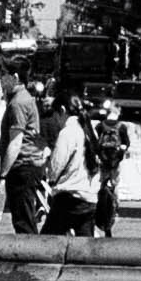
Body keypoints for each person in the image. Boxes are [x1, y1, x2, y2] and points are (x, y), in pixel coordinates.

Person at [0, 70, 51, 235]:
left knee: (23, 222)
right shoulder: (23, 98)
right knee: (25, 218)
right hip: (28, 165)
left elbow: (16, 141)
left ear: (15, 77)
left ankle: (30, 257)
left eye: (3, 74)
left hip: (23, 166)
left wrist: (2, 174)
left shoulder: (18, 103)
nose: (0, 79)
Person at [40, 93, 99, 236]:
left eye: (56, 115)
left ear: (62, 110)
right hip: (89, 198)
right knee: (84, 250)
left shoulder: (67, 132)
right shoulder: (90, 131)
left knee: (46, 244)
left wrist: (48, 159)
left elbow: (55, 169)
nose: (56, 120)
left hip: (68, 199)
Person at [86, 98, 132, 237]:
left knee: (100, 187)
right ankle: (113, 211)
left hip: (102, 161)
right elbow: (126, 143)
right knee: (115, 187)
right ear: (118, 112)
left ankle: (99, 213)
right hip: (115, 162)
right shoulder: (121, 127)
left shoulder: (100, 125)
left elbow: (93, 142)